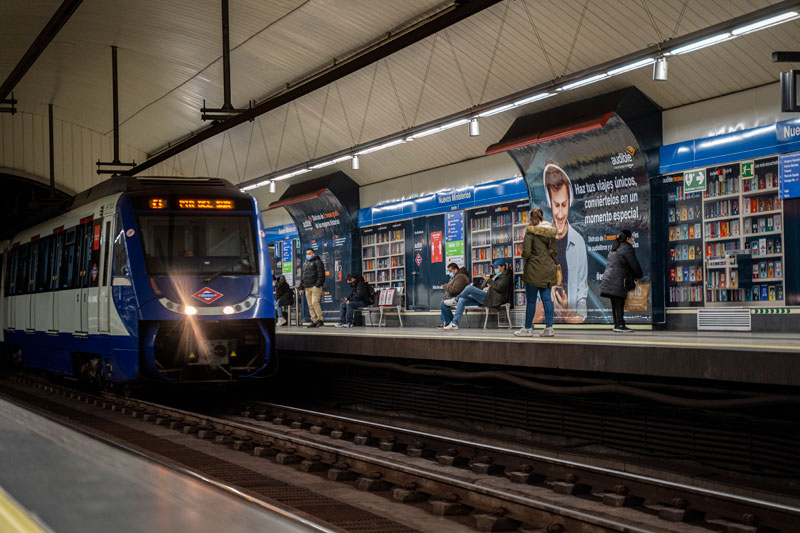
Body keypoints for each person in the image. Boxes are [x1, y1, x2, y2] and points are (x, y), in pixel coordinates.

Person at [543, 162, 588, 322]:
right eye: (556, 205)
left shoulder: (579, 243)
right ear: (550, 204)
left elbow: (582, 293)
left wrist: (571, 316)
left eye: (564, 205)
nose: (561, 214)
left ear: (570, 203)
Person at [515, 208, 558, 337]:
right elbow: (554, 252)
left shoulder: (530, 232)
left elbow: (526, 253)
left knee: (532, 301)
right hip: (548, 270)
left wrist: (524, 254)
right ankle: (549, 328)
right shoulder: (550, 233)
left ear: (531, 218)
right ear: (542, 217)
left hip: (534, 270)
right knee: (547, 299)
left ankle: (528, 328)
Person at [443, 259, 511, 330]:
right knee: (462, 300)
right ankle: (454, 324)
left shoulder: (506, 277)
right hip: (485, 296)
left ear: (503, 267)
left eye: (497, 267)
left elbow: (500, 288)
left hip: (492, 298)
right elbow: (482, 287)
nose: (495, 269)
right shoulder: (494, 276)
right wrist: (485, 282)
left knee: (469, 288)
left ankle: (455, 299)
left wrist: (489, 281)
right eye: (494, 268)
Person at [600, 230, 643, 333]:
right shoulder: (627, 248)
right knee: (619, 302)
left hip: (609, 279)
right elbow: (634, 264)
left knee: (615, 303)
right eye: (632, 238)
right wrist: (639, 275)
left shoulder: (614, 247)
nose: (632, 241)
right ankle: (620, 325)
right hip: (618, 279)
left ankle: (617, 324)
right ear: (628, 238)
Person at [300, 248, 325, 327]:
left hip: (315, 286)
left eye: (309, 253)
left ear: (313, 254)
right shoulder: (305, 263)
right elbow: (303, 276)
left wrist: (317, 285)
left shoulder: (318, 262)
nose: (308, 255)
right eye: (307, 254)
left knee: (315, 302)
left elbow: (321, 275)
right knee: (310, 305)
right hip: (307, 286)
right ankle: (314, 320)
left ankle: (320, 320)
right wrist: (301, 287)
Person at [439, 262, 470, 327]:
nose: (449, 273)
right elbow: (451, 290)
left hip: (459, 298)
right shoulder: (457, 276)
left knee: (443, 304)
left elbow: (455, 290)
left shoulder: (460, 277)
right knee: (443, 302)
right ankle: (446, 322)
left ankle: (450, 322)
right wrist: (445, 297)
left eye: (450, 271)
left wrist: (446, 287)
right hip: (456, 297)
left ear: (455, 270)